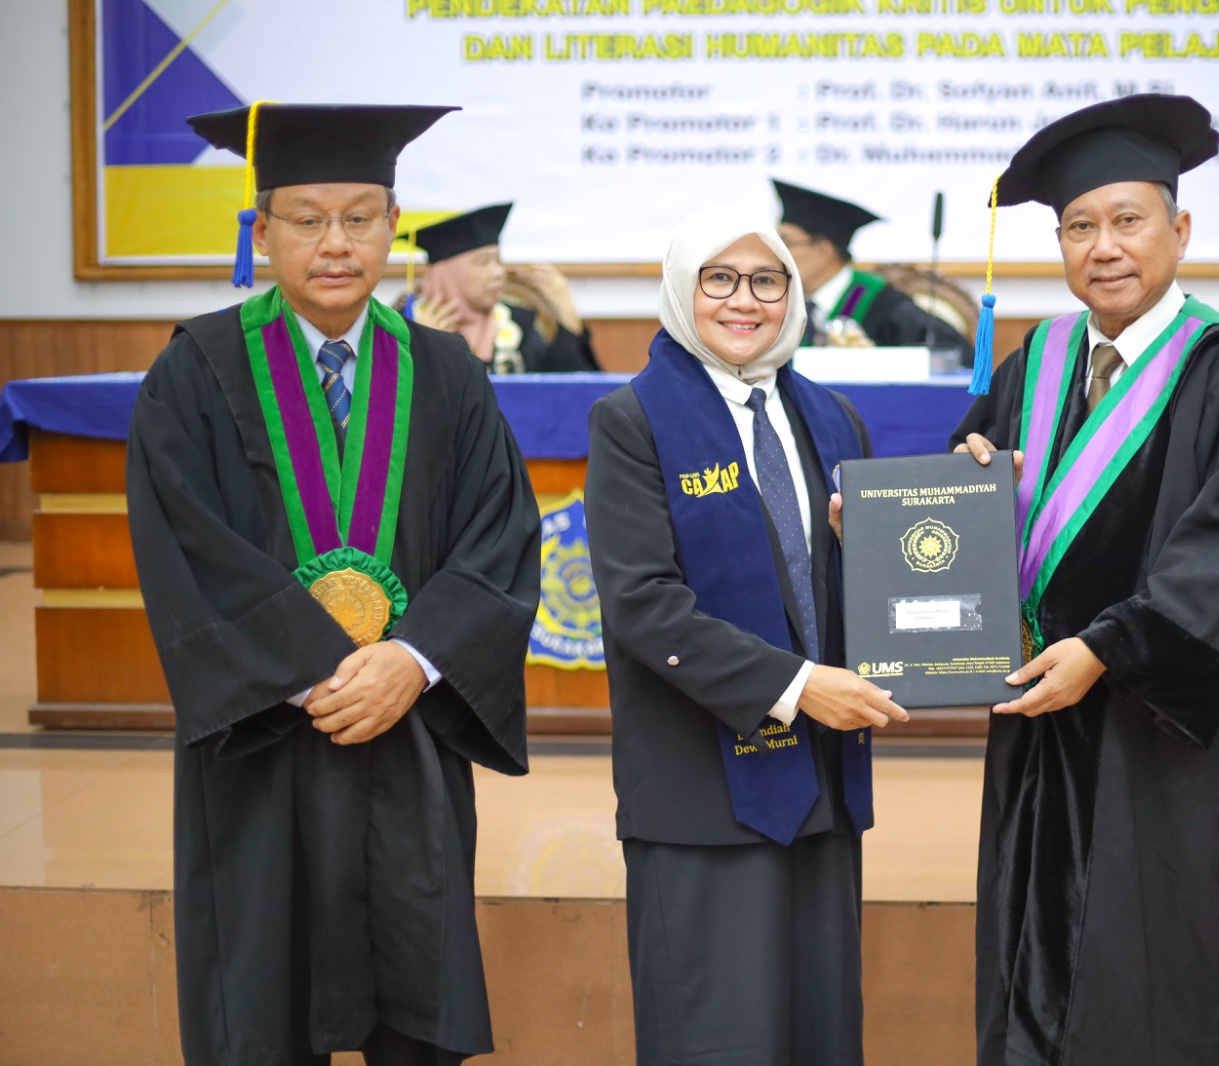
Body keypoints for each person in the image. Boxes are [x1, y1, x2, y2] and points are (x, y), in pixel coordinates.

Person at [126, 102, 544, 1064]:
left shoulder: (446, 372)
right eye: (307, 219)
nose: (335, 244)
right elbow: (185, 544)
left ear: (392, 226)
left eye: (359, 217)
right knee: (264, 1000)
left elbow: (498, 534)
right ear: (261, 232)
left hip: (408, 731)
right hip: (265, 736)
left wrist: (414, 658)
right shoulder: (195, 371)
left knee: (414, 986)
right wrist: (315, 669)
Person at [950, 94, 1219, 1065]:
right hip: (1040, 714)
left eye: (1127, 220)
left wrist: (1105, 650)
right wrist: (910, 517)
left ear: (1179, 232)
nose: (1103, 248)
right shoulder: (1039, 358)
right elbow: (971, 488)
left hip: (1157, 732)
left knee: (1153, 953)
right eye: (1079, 227)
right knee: (1031, 939)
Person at [585, 205, 911, 1065]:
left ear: (793, 294)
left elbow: (856, 579)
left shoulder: (832, 417)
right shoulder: (632, 420)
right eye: (719, 279)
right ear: (681, 290)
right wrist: (799, 687)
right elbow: (643, 604)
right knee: (716, 1040)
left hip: (821, 789)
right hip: (700, 794)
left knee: (818, 1036)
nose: (744, 300)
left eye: (767, 280)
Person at [773, 178, 975, 363]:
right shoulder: (777, 304)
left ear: (823, 251)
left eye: (786, 243)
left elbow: (957, 359)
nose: (777, 253)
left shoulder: (886, 307)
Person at [408, 202, 598, 374]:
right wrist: (420, 347)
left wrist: (568, 317)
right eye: (484, 262)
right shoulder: (407, 323)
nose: (499, 272)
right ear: (450, 274)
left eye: (498, 260)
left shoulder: (518, 323)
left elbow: (566, 390)